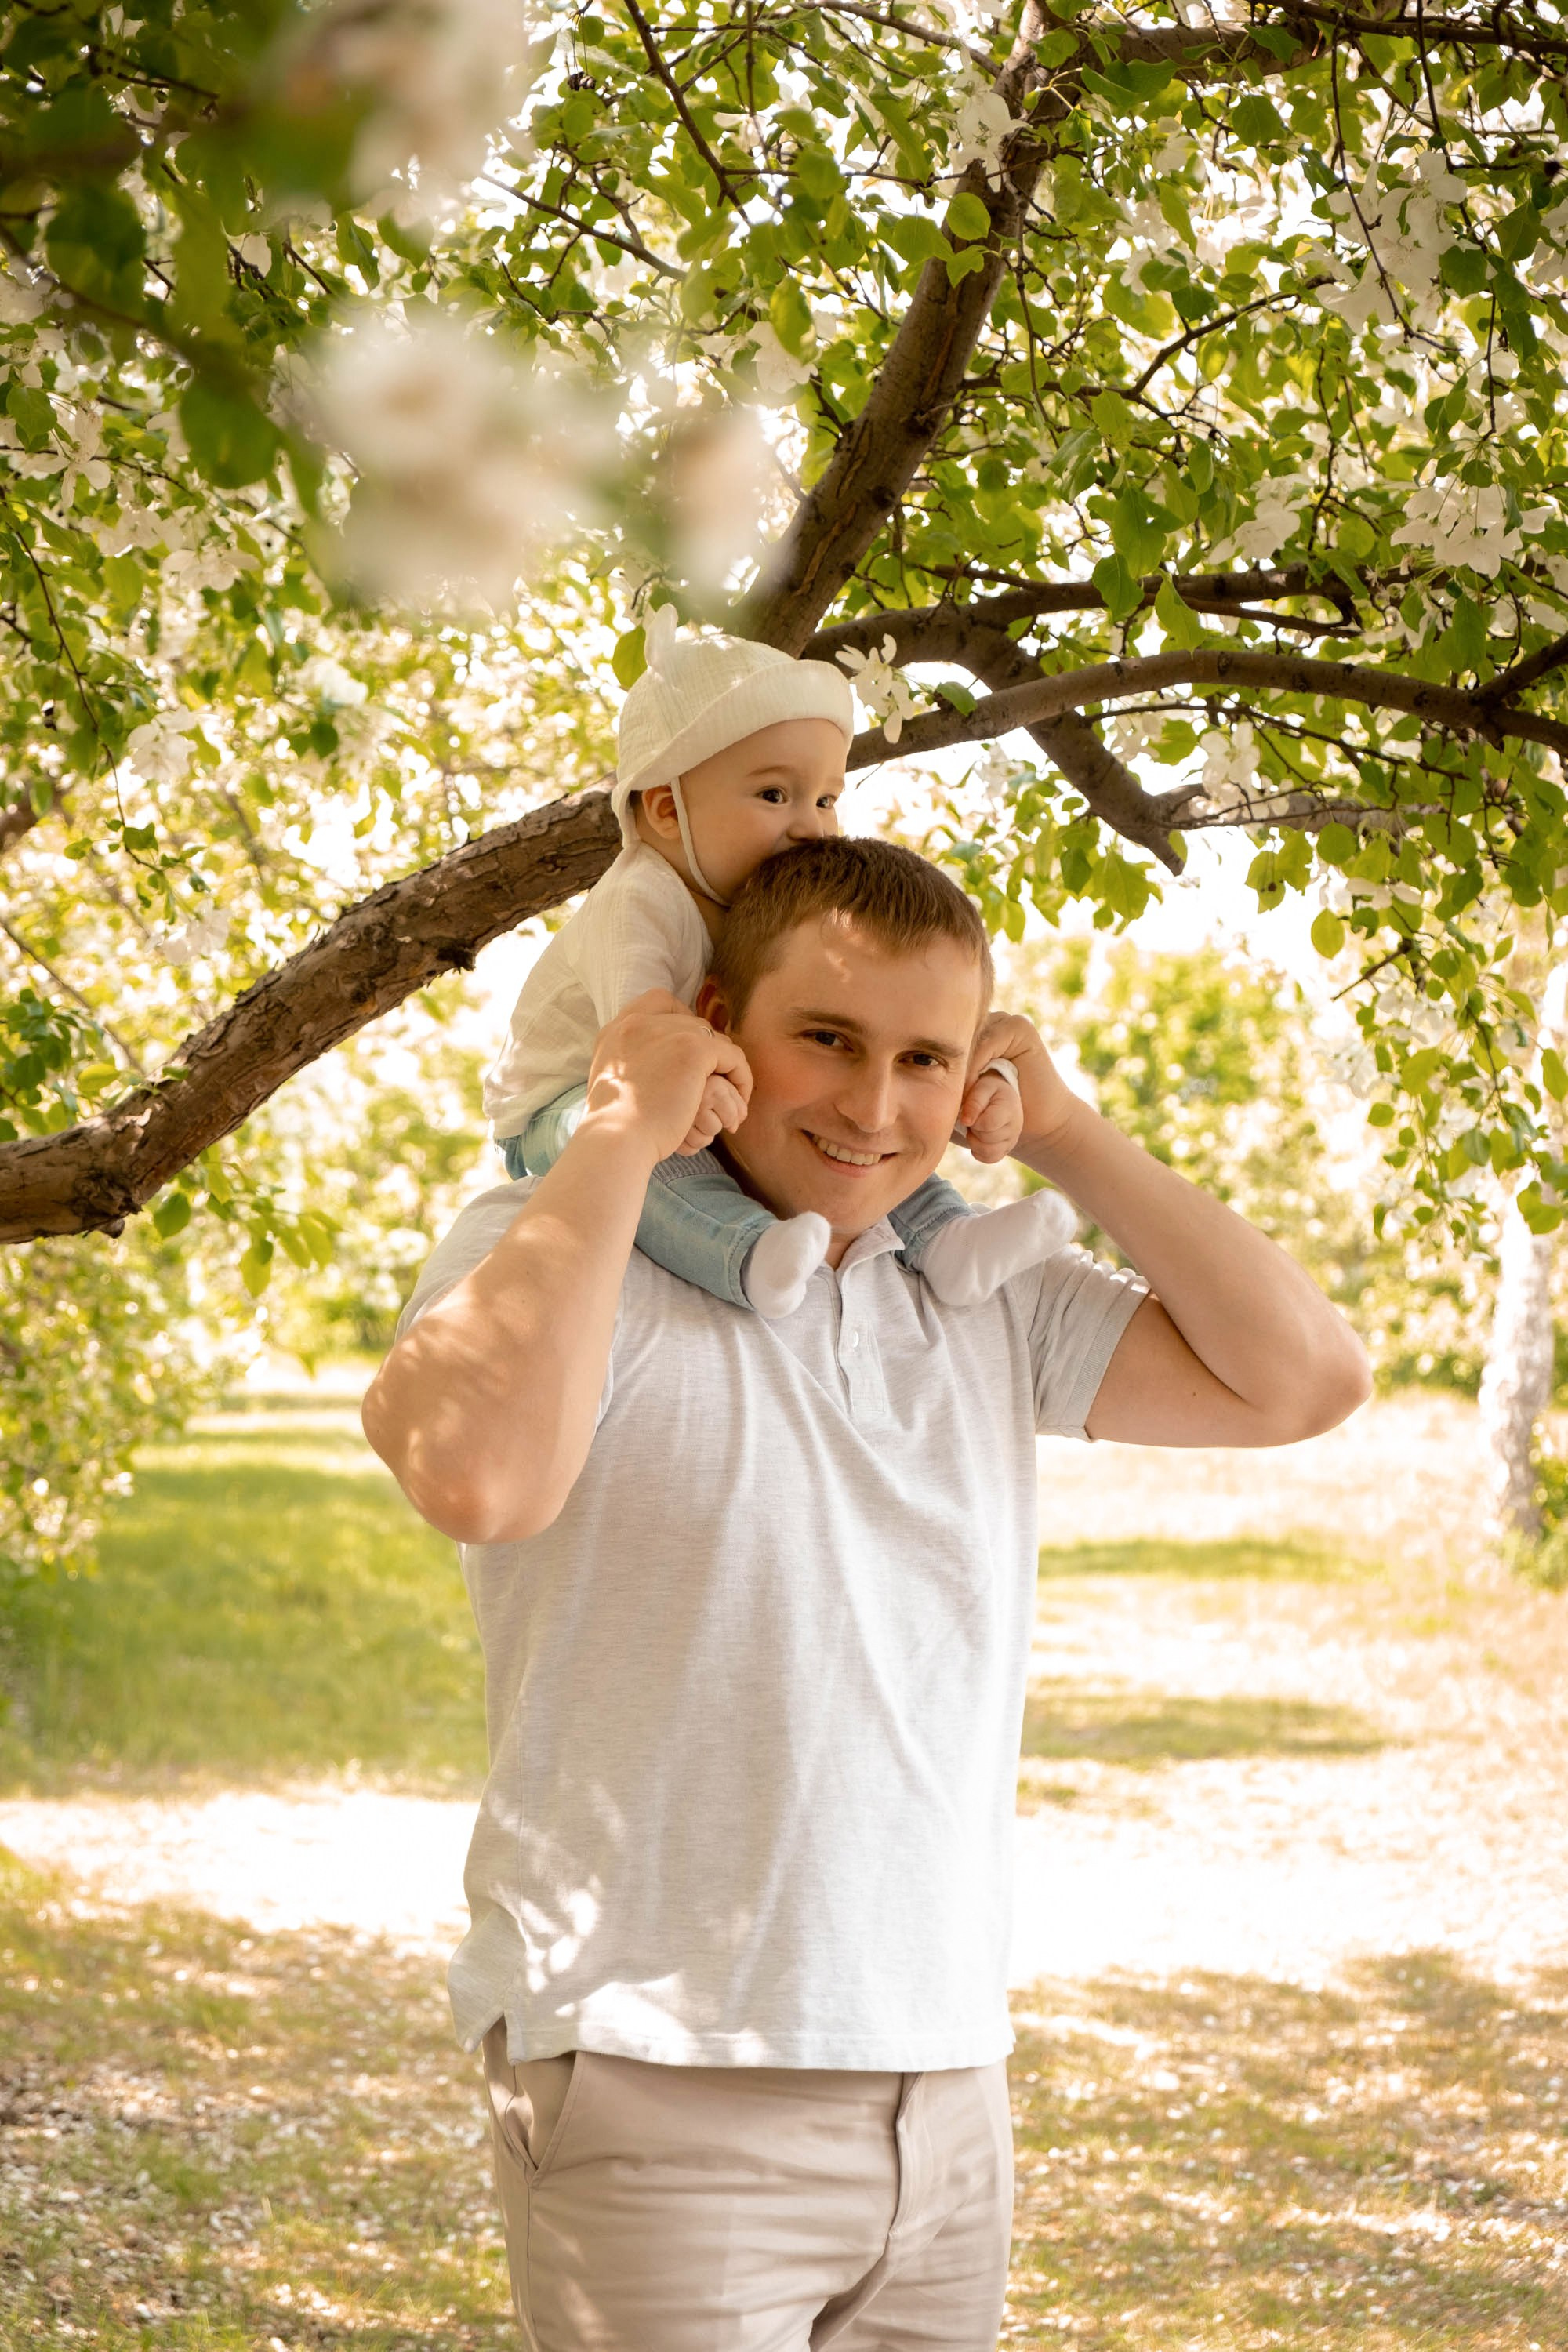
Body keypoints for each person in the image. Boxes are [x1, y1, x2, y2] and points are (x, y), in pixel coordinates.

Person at [363, 837, 1370, 2351]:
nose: (872, 1106)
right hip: (654, 2071)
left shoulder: (978, 1297)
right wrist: (622, 1135)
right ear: (716, 1019)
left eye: (924, 1059)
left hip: (942, 2086)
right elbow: (477, 1475)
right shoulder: (558, 1240)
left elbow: (1304, 1380)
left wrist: (1074, 1140)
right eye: (824, 1039)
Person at [483, 603, 1073, 1317]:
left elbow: (897, 1025)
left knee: (876, 1124)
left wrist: (984, 1082)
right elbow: (637, 1045)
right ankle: (743, 1253)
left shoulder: (756, 896)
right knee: (656, 1155)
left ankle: (947, 1238)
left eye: (826, 798)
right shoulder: (638, 902)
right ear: (668, 810)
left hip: (685, 1078)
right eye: (774, 794)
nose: (812, 826)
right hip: (567, 1105)